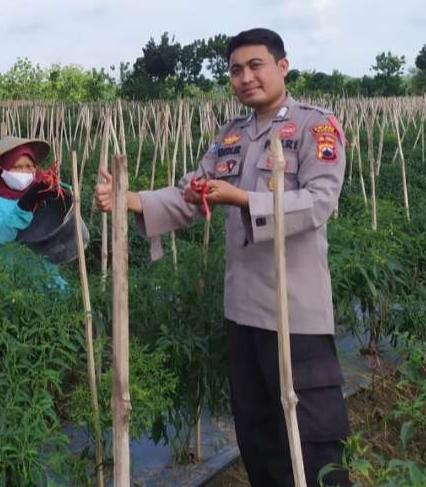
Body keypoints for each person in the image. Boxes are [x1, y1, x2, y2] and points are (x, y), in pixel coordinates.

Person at [94, 28, 351, 487]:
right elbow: (192, 194)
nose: (246, 77)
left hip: (297, 315)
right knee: (259, 439)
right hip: (243, 313)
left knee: (314, 444)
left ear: (282, 66)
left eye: (256, 65)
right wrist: (130, 198)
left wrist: (244, 198)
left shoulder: (316, 126)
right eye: (236, 70)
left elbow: (319, 202)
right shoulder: (230, 136)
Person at [0, 136, 70, 289]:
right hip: (11, 284)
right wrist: (26, 204)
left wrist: (58, 192)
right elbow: (0, 234)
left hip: (48, 279)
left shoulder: (42, 192)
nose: (24, 171)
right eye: (17, 166)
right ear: (3, 170)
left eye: (29, 166)